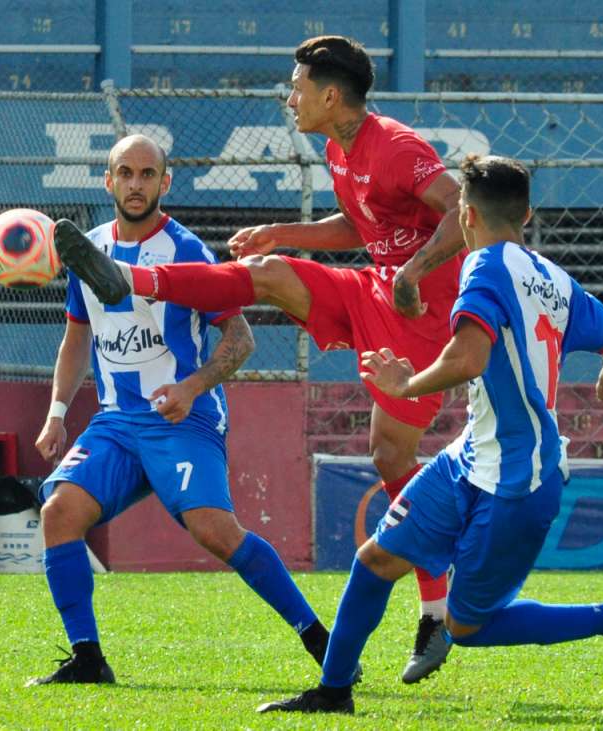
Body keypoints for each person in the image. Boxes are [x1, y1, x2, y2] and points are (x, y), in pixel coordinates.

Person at [54, 35, 470, 683]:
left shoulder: (395, 145)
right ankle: (137, 280)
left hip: (420, 309)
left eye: (297, 86)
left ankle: (436, 609)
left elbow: (463, 210)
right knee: (268, 269)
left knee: (389, 455)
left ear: (330, 95)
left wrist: (414, 271)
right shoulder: (339, 147)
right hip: (375, 290)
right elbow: (362, 226)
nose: (289, 97)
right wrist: (285, 232)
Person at [255, 154, 603, 714]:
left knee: (468, 625)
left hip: (518, 478)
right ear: (527, 215)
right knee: (375, 559)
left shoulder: (483, 267)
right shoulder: (555, 279)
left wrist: (405, 385)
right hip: (471, 456)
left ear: (466, 214)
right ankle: (333, 690)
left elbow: (468, 357)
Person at [26, 134, 333, 686]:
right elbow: (76, 339)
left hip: (183, 418)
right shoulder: (86, 248)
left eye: (148, 174)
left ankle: (322, 643)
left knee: (215, 531)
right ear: (109, 180)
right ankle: (88, 659)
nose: (136, 183)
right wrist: (56, 411)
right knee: (59, 513)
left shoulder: (188, 251)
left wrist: (192, 387)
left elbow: (239, 340)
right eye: (126, 173)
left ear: (165, 183)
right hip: (118, 422)